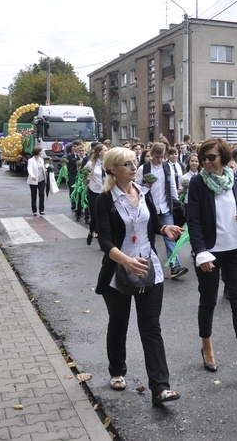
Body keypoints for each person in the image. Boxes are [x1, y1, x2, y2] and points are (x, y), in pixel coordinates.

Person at [94, 147, 182, 406]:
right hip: (118, 272)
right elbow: (105, 241)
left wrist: (164, 228)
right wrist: (126, 260)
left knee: (151, 327)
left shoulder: (143, 192)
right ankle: (117, 371)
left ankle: (161, 387)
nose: (134, 167)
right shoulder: (105, 200)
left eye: (134, 162)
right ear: (112, 169)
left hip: (150, 269)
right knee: (119, 323)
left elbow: (152, 223)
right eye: (126, 164)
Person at [187, 138, 237, 379]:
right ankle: (207, 348)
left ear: (223, 157)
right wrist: (200, 252)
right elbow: (194, 221)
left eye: (211, 157)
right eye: (203, 158)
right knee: (208, 300)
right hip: (210, 251)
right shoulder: (198, 184)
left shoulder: (235, 179)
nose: (206, 162)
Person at [136, 143, 186, 278]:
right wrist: (146, 186)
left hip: (165, 208)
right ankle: (150, 268)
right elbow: (136, 188)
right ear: (151, 155)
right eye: (156, 157)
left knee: (171, 237)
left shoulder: (167, 166)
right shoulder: (143, 169)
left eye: (161, 157)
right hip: (148, 209)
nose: (159, 159)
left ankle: (175, 267)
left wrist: (176, 202)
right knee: (148, 240)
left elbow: (171, 186)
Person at [85, 143, 107, 244]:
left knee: (103, 216)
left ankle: (100, 236)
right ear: (99, 152)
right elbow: (83, 175)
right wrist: (87, 178)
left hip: (104, 192)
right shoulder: (91, 163)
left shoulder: (108, 163)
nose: (107, 152)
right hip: (93, 192)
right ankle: (90, 232)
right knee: (94, 216)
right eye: (105, 150)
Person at [27, 147, 49, 216]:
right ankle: (34, 210)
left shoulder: (41, 159)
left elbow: (43, 168)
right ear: (37, 152)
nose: (41, 153)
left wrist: (47, 171)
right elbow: (29, 168)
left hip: (41, 179)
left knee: (42, 194)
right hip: (33, 180)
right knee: (34, 195)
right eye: (40, 151)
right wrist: (32, 175)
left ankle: (42, 210)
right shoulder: (31, 160)